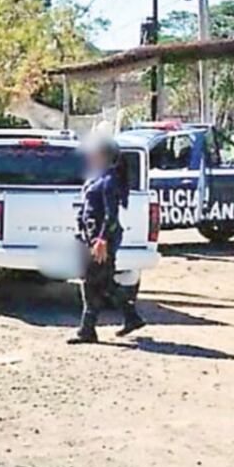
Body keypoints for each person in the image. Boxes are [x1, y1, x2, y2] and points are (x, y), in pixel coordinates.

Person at [69, 136, 146, 344]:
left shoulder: (109, 180)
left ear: (104, 155)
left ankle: (88, 329)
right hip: (91, 237)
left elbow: (111, 216)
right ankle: (130, 317)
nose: (90, 155)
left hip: (103, 239)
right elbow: (87, 207)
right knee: (101, 282)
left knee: (94, 281)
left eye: (94, 152)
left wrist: (102, 240)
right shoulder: (96, 177)